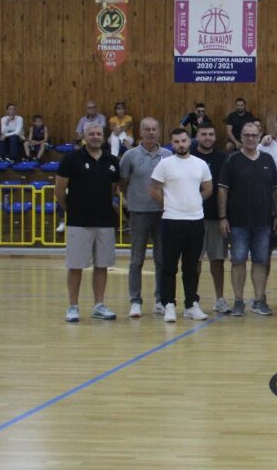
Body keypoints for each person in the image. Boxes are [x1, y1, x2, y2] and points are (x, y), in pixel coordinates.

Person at [56, 122, 121, 322]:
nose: (95, 137)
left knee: (102, 265)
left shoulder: (112, 160)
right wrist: (71, 209)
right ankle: (73, 306)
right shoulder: (71, 159)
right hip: (79, 221)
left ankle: (98, 305)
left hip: (104, 221)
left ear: (103, 136)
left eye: (98, 134)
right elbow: (59, 191)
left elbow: (113, 189)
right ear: (84, 136)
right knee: (76, 266)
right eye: (91, 134)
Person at [218, 121, 277, 317]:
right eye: (247, 135)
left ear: (259, 136)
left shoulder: (268, 159)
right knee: (238, 261)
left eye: (254, 135)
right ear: (241, 137)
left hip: (263, 222)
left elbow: (275, 191)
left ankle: (259, 301)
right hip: (237, 223)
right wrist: (223, 217)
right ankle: (238, 301)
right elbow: (222, 191)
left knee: (260, 261)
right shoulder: (232, 160)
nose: (251, 138)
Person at [149, 128, 213, 323]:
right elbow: (153, 189)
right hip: (171, 221)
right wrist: (168, 204)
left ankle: (191, 304)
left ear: (189, 141)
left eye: (184, 141)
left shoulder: (200, 164)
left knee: (191, 266)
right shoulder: (165, 164)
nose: (181, 144)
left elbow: (208, 188)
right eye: (176, 141)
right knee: (169, 266)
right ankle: (168, 304)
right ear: (172, 143)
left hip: (195, 221)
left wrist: (194, 201)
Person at [120, 117, 167, 318]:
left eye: (154, 129)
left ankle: (161, 300)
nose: (151, 133)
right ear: (140, 132)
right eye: (147, 129)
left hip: (163, 214)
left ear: (159, 132)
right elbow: (122, 183)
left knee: (162, 259)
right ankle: (135, 301)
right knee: (136, 260)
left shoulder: (167, 155)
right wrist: (134, 199)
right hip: (138, 213)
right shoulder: (130, 156)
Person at [192, 122, 231, 313]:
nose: (207, 138)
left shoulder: (223, 158)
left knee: (217, 260)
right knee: (194, 261)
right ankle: (192, 299)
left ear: (215, 137)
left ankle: (220, 299)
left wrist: (224, 216)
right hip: (193, 218)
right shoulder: (189, 157)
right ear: (197, 137)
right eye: (204, 134)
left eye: (211, 134)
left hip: (216, 217)